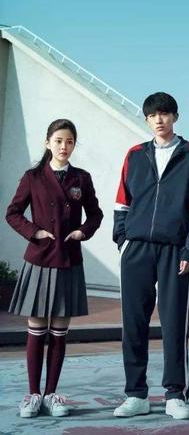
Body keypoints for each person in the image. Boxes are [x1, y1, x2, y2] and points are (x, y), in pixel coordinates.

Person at [112, 92, 189, 420]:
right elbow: (122, 202)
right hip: (137, 249)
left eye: (165, 114)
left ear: (175, 117)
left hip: (175, 250)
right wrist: (123, 241)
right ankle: (135, 394)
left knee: (174, 324)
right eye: (153, 115)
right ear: (146, 119)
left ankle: (175, 394)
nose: (159, 120)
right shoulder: (135, 154)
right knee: (133, 324)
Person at [6, 118, 103, 418]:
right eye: (59, 140)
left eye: (69, 141)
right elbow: (13, 213)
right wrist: (34, 232)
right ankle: (33, 395)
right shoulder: (33, 177)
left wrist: (83, 232)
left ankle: (51, 395)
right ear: (48, 143)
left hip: (68, 259)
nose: (64, 146)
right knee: (36, 330)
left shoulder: (82, 178)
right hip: (40, 258)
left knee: (59, 332)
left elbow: (96, 215)